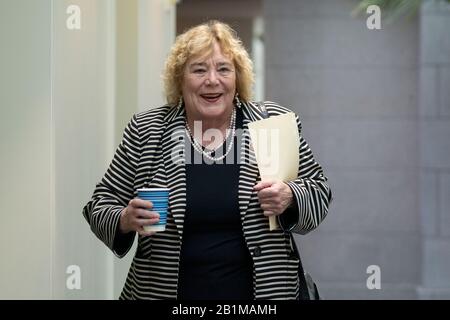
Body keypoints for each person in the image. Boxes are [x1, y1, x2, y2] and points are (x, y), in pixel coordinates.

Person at [82, 20, 332, 300]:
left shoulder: (271, 124)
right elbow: (99, 205)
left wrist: (291, 196)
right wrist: (124, 219)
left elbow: (320, 192)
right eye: (199, 69)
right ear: (180, 79)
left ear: (237, 78)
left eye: (223, 69)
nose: (212, 80)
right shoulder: (148, 129)